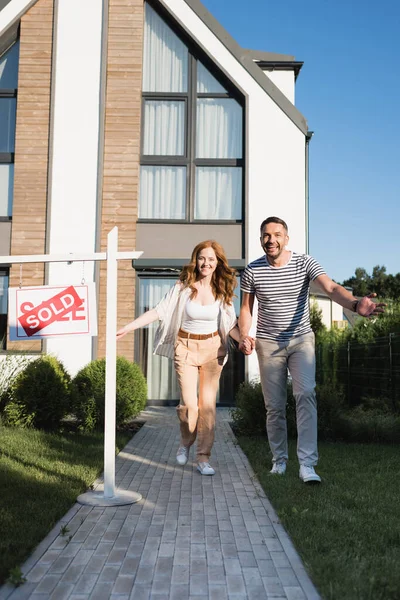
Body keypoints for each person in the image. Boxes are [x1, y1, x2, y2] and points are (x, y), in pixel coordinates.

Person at [239, 216, 385, 484]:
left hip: (300, 340)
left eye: (276, 234)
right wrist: (245, 335)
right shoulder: (252, 271)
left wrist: (354, 305)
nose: (271, 240)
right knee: (274, 406)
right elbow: (246, 309)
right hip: (268, 343)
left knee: (305, 394)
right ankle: (279, 461)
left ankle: (307, 464)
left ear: (286, 238)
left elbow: (331, 288)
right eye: (266, 236)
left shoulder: (304, 262)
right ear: (261, 240)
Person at [117, 240, 240, 476]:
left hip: (213, 350)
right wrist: (129, 327)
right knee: (189, 406)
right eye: (202, 258)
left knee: (208, 408)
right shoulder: (183, 287)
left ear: (217, 263)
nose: (206, 263)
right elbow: (158, 311)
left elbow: (229, 324)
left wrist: (242, 339)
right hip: (185, 347)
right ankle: (185, 441)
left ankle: (203, 458)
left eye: (211, 259)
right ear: (196, 260)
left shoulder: (222, 289)